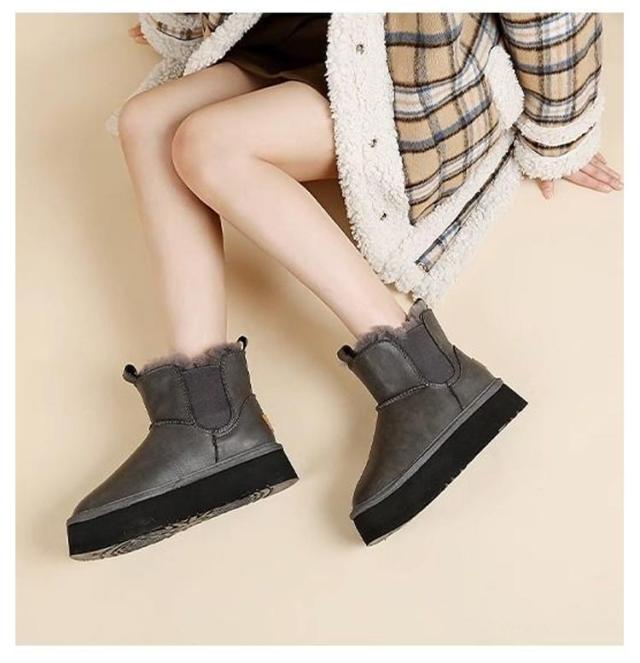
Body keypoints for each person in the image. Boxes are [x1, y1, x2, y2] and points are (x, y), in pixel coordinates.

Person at [66, 13, 622, 559]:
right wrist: (180, 23)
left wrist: (561, 137)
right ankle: (208, 417)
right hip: (287, 37)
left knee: (208, 145)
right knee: (148, 120)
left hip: (414, 75)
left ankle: (427, 371)